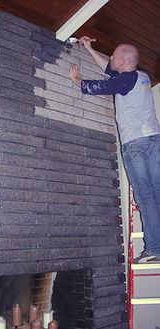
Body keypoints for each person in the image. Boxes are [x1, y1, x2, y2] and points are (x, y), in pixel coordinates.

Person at [69, 36, 160, 263]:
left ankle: (156, 249)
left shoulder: (126, 79)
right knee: (156, 194)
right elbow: (110, 69)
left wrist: (77, 79)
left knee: (146, 197)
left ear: (126, 60)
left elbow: (99, 86)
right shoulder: (140, 77)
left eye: (115, 55)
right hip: (153, 141)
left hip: (136, 144)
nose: (111, 57)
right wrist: (89, 48)